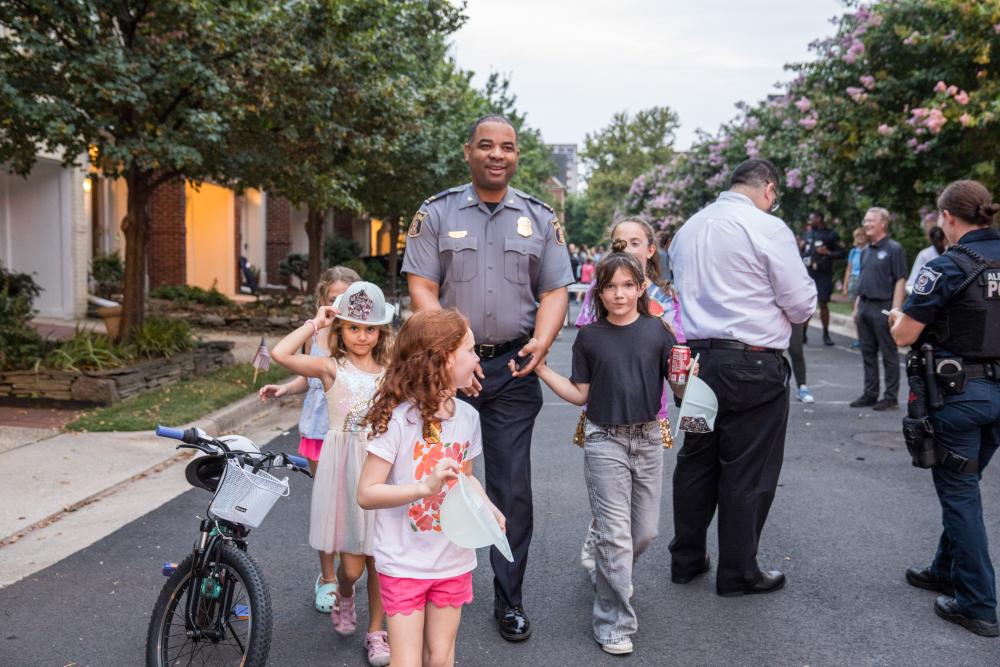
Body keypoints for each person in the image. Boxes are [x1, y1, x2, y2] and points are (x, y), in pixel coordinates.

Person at [401, 113, 574, 641]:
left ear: (516, 155)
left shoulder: (541, 218)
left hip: (514, 367)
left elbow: (554, 291)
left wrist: (542, 340)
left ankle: (509, 597)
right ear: (468, 151)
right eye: (486, 145)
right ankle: (424, 585)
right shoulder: (435, 213)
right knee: (433, 477)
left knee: (511, 487)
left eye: (507, 147)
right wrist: (454, 350)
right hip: (446, 368)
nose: (497, 154)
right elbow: (422, 286)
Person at [532, 245, 691, 655]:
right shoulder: (589, 337)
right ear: (598, 292)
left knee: (645, 532)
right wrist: (543, 369)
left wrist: (685, 378)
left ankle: (608, 570)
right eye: (610, 287)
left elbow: (676, 389)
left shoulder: (659, 332)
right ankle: (613, 623)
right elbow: (578, 394)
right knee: (616, 536)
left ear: (641, 288)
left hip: (649, 438)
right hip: (605, 439)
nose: (619, 294)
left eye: (628, 285)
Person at [668, 158, 816, 596]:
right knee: (748, 468)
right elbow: (801, 305)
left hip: (699, 364)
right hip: (752, 365)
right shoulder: (767, 227)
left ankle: (687, 559)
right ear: (768, 188)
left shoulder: (688, 228)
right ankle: (737, 571)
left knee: (696, 461)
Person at [357, 308, 505, 666]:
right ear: (442, 359)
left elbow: (466, 477)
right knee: (406, 662)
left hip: (453, 560)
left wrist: (489, 507)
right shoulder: (397, 421)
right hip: (403, 563)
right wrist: (425, 487)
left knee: (440, 658)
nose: (477, 358)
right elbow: (367, 492)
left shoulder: (468, 417)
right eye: (469, 350)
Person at [888, 179, 1000, 638]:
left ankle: (978, 605)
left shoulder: (948, 265)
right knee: (964, 485)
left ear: (948, 217)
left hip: (960, 395)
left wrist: (897, 318)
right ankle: (943, 569)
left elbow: (904, 335)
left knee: (960, 494)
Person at [270, 281, 394, 666]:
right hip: (345, 473)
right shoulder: (329, 368)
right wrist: (316, 323)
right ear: (340, 329)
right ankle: (344, 592)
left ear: (381, 332)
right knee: (353, 567)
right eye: (353, 327)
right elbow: (279, 353)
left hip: (382, 467)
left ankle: (376, 631)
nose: (362, 336)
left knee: (381, 560)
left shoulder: (392, 370)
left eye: (370, 328)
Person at [574, 219, 685, 575]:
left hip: (651, 412)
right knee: (613, 500)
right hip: (605, 408)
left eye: (635, 242)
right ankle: (609, 563)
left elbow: (677, 347)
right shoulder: (603, 290)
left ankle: (612, 565)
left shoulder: (666, 297)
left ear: (651, 250)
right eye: (619, 244)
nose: (627, 249)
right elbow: (592, 341)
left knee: (640, 514)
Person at [258, 265, 360, 612]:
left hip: (351, 429)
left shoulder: (359, 333)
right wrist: (286, 388)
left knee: (353, 502)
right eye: (333, 298)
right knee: (328, 504)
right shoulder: (313, 334)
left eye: (346, 298)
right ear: (321, 299)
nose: (339, 304)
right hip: (318, 429)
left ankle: (350, 567)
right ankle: (328, 578)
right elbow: (308, 376)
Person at [850, 207, 908, 411]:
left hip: (883, 306)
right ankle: (870, 393)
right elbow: (862, 280)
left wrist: (896, 309)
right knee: (867, 353)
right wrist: (857, 307)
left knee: (888, 354)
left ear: (883, 223)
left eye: (871, 220)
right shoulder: (865, 250)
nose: (866, 224)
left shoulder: (894, 249)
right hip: (865, 306)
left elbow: (900, 279)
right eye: (865, 220)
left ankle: (890, 397)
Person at [801, 212, 845, 346]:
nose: (810, 221)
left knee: (823, 304)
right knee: (807, 305)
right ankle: (803, 334)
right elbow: (802, 253)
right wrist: (800, 248)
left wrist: (828, 253)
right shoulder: (808, 234)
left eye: (812, 218)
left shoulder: (831, 234)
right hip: (808, 274)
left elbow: (842, 253)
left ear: (819, 219)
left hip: (824, 274)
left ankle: (826, 334)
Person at [842, 227, 868, 349]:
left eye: (862, 235)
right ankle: (860, 338)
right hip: (854, 281)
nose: (860, 237)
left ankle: (868, 338)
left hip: (865, 281)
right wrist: (845, 285)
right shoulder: (853, 252)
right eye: (858, 235)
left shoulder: (869, 250)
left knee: (865, 311)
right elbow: (849, 269)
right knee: (856, 313)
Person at [906, 226, 948, 293]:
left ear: (945, 239)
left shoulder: (950, 253)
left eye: (940, 239)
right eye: (936, 240)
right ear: (931, 240)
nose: (939, 243)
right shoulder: (924, 255)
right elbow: (911, 283)